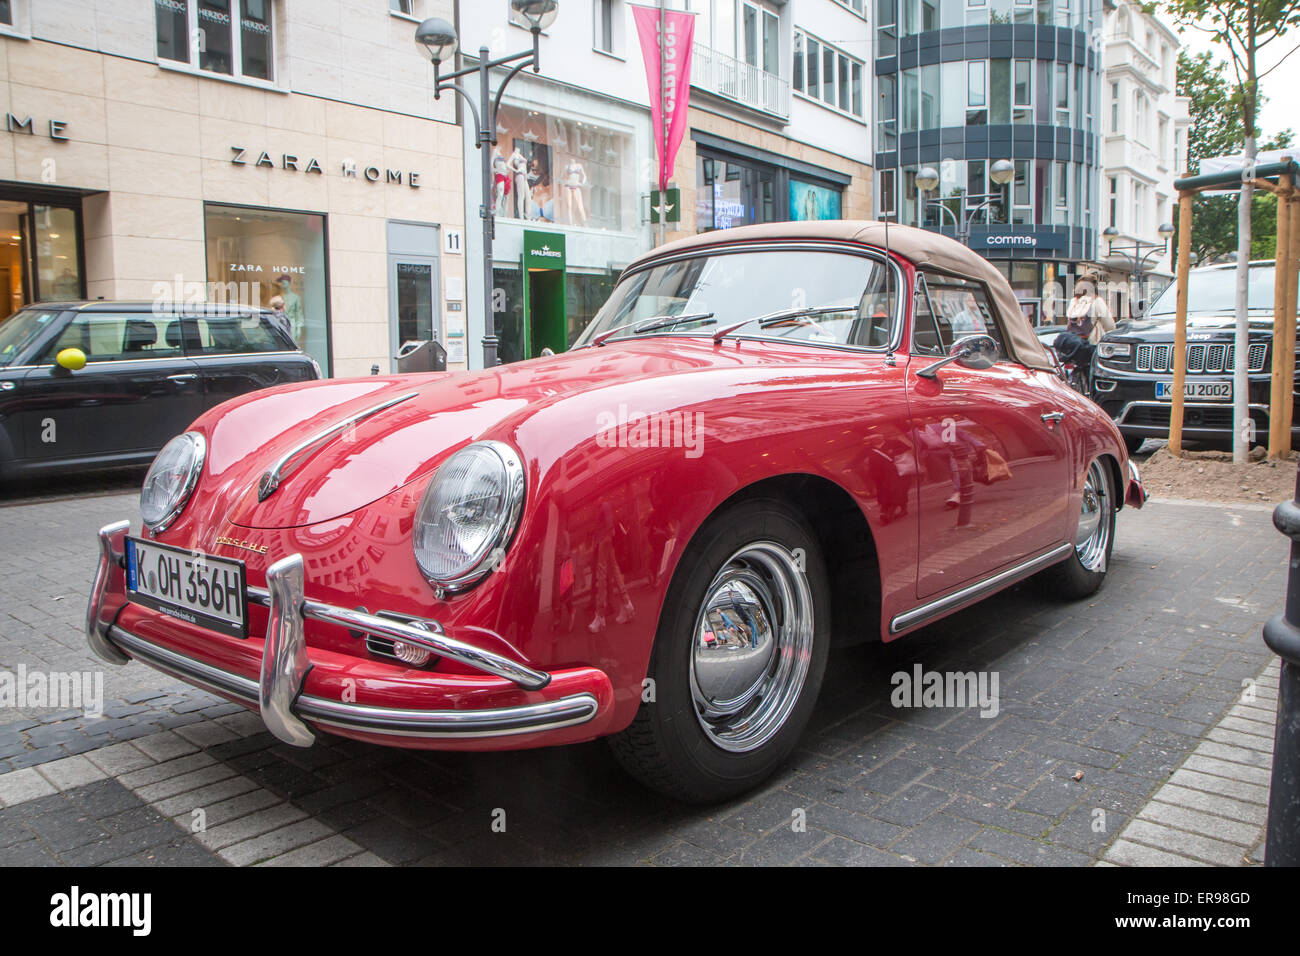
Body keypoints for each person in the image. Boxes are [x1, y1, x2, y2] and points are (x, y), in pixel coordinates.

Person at [1054, 271, 1114, 386]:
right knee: (1097, 375)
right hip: (1090, 346)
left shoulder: (1073, 302)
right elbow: (1110, 326)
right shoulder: (1097, 301)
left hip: (1073, 345)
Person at [275, 274, 305, 348]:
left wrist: (299, 328)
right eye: (281, 282)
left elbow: (299, 312)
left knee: (293, 343)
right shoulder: (279, 297)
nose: (283, 284)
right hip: (281, 322)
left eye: (284, 282)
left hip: (292, 322)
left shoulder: (296, 297)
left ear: (288, 282)